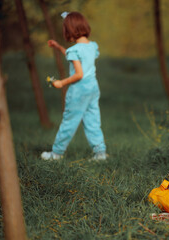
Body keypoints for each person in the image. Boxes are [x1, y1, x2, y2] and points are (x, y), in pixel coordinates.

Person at [41, 12, 107, 161]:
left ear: (69, 30)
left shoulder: (74, 50)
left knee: (69, 121)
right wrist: (59, 47)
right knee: (93, 120)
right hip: (93, 88)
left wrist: (61, 83)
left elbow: (79, 74)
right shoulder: (92, 46)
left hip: (79, 90)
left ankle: (56, 153)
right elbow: (79, 58)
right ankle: (100, 153)